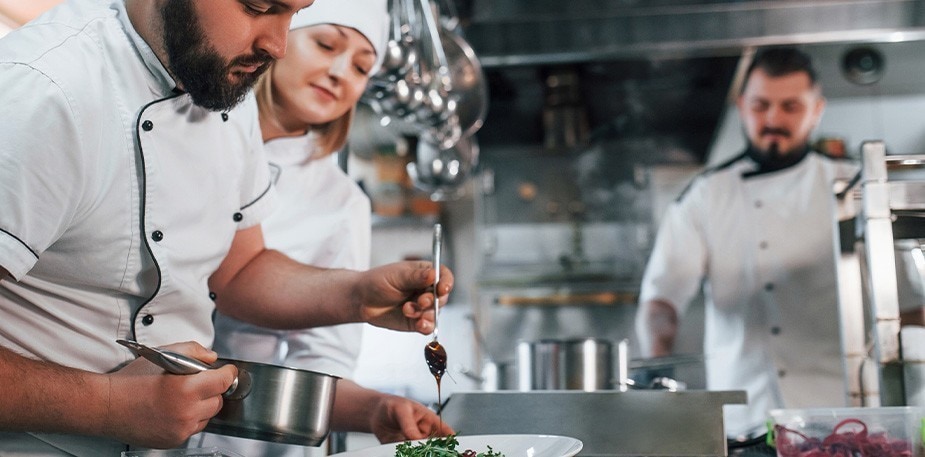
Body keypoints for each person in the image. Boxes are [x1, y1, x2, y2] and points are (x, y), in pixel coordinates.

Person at [0, 0, 452, 455]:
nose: (278, 45)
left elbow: (238, 271)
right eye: (259, 6)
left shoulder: (225, 86)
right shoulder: (42, 92)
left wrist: (357, 295)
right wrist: (109, 406)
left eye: (295, 14)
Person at [193, 1, 453, 454]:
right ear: (277, 38)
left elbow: (320, 361)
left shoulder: (341, 202)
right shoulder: (194, 128)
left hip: (240, 442)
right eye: (326, 44)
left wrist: (374, 409)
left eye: (361, 67)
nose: (339, 73)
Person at [634, 46, 922, 444]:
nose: (773, 119)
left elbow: (909, 308)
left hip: (843, 418)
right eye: (761, 105)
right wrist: (656, 372)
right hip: (743, 422)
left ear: (816, 110)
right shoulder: (705, 195)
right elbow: (662, 302)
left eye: (790, 106)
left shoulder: (856, 187)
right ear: (741, 106)